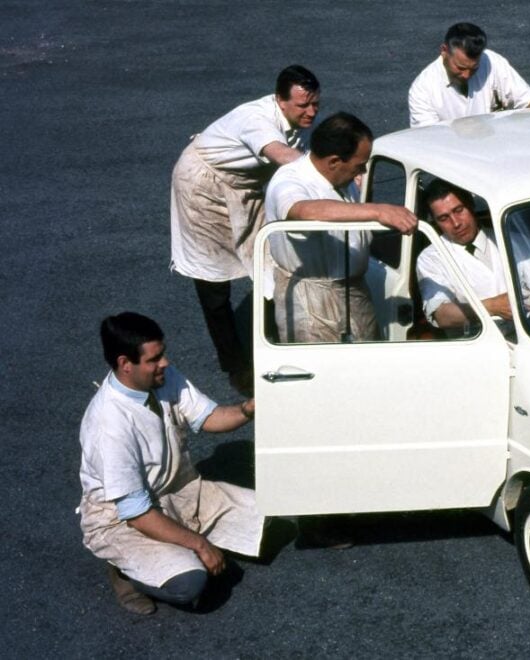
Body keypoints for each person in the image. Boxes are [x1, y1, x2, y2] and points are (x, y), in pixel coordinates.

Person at [79, 312, 263, 615]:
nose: (164, 362)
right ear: (126, 364)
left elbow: (208, 417)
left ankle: (184, 542)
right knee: (190, 583)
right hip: (123, 520)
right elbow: (136, 514)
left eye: (162, 354)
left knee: (269, 516)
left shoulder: (160, 376)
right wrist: (200, 545)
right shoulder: (108, 424)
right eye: (154, 359)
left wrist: (248, 409)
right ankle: (123, 571)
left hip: (179, 492)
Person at [170, 65, 321, 396]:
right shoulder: (255, 119)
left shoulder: (302, 122)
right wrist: (323, 173)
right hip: (202, 186)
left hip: (248, 187)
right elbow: (280, 154)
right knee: (213, 283)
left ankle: (276, 341)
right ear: (280, 101)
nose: (310, 112)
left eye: (315, 105)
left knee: (273, 260)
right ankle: (236, 365)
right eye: (302, 106)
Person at [265, 112, 418, 343]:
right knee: (322, 372)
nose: (363, 173)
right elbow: (304, 211)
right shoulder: (289, 181)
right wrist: (378, 211)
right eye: (360, 166)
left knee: (366, 368)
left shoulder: (341, 178)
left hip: (354, 290)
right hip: (311, 298)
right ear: (334, 161)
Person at [416, 179, 530, 332]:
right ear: (435, 222)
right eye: (444, 218)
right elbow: (442, 315)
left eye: (458, 210)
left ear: (471, 205)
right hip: (481, 346)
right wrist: (492, 306)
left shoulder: (515, 240)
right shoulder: (430, 258)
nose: (456, 223)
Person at [408, 22, 530, 127]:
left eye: (474, 68)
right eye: (460, 67)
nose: (466, 75)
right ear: (444, 51)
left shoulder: (492, 62)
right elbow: (426, 141)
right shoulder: (422, 90)